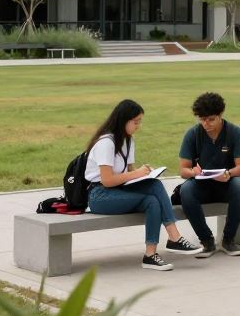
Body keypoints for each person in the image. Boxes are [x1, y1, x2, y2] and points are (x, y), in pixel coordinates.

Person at [84, 99, 200, 271]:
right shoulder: (106, 143)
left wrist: (144, 174)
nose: (138, 125)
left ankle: (151, 254)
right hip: (100, 196)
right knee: (151, 198)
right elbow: (107, 180)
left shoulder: (128, 141)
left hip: (118, 190)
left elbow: (128, 173)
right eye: (135, 122)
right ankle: (174, 238)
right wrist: (136, 173)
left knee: (154, 188)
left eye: (139, 121)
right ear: (123, 120)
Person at [177, 92, 240, 257]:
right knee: (186, 190)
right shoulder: (192, 134)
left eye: (210, 119)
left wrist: (228, 173)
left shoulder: (235, 132)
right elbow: (183, 170)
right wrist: (193, 172)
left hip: (227, 184)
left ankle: (228, 240)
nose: (205, 123)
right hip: (202, 185)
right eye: (202, 119)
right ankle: (206, 241)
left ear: (220, 115)